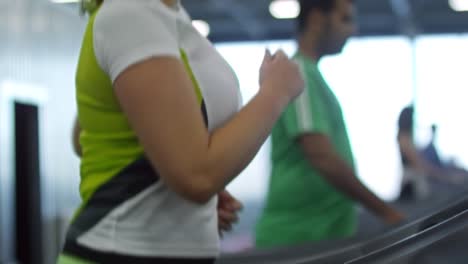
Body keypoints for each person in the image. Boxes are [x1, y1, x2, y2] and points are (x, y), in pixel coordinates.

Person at [57, 0, 305, 263]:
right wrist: (276, 92)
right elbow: (197, 176)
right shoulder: (131, 13)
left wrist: (171, 187)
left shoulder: (168, 14)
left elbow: (99, 133)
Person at [255, 0, 404, 248]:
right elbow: (320, 155)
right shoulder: (298, 73)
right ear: (316, 19)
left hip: (322, 237)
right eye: (345, 19)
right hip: (297, 241)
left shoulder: (309, 75)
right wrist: (386, 212)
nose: (352, 30)